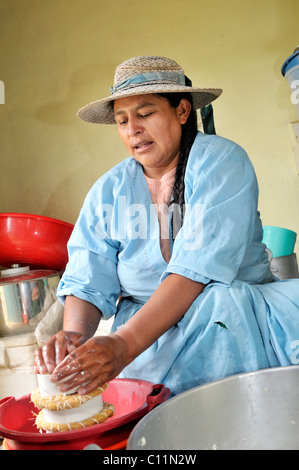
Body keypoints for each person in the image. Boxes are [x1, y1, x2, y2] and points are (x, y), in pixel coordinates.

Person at [34, 56, 299, 397]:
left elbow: (196, 272)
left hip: (232, 324)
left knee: (222, 305)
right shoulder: (108, 191)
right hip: (147, 341)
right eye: (122, 120)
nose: (133, 129)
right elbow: (88, 279)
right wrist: (73, 339)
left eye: (145, 113)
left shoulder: (221, 162)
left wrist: (123, 343)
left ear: (182, 111)